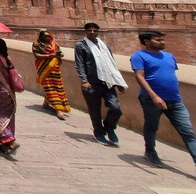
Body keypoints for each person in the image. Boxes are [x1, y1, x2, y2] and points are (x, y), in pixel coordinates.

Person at [131, 31, 196, 168]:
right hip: (152, 100)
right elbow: (140, 77)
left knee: (188, 132)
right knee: (152, 126)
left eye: (162, 39)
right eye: (158, 39)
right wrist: (154, 96)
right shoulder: (139, 56)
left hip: (175, 100)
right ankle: (150, 151)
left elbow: (169, 75)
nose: (162, 42)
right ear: (146, 41)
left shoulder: (169, 56)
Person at [74, 22, 127, 145]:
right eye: (89, 30)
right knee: (95, 110)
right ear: (85, 32)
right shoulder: (81, 46)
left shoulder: (105, 47)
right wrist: (84, 80)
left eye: (94, 31)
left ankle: (109, 127)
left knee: (116, 108)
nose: (92, 32)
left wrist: (118, 82)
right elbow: (80, 64)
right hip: (92, 83)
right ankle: (99, 133)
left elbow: (111, 64)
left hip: (107, 82)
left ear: (98, 32)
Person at [32, 29, 70, 120]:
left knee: (58, 87)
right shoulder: (37, 44)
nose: (47, 38)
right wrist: (50, 56)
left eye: (48, 36)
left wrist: (59, 55)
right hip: (44, 68)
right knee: (49, 87)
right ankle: (58, 109)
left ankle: (46, 103)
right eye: (45, 36)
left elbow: (60, 53)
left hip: (55, 69)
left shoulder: (54, 44)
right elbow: (36, 55)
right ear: (41, 36)